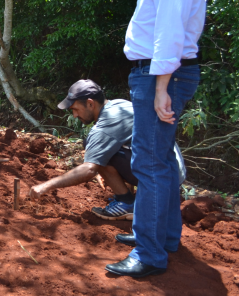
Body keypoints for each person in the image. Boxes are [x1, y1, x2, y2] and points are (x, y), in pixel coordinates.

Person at [105, 0, 205, 279]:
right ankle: (162, 237)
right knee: (158, 160)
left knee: (146, 162)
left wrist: (162, 86)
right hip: (159, 74)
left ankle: (149, 253)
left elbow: (169, 33)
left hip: (161, 76)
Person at [29, 79, 186, 221]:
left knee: (99, 154)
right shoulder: (118, 104)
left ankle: (126, 203)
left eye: (75, 109)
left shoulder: (105, 126)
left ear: (90, 103)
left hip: (162, 179)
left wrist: (46, 186)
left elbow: (89, 170)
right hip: (170, 172)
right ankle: (128, 197)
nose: (75, 115)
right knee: (96, 146)